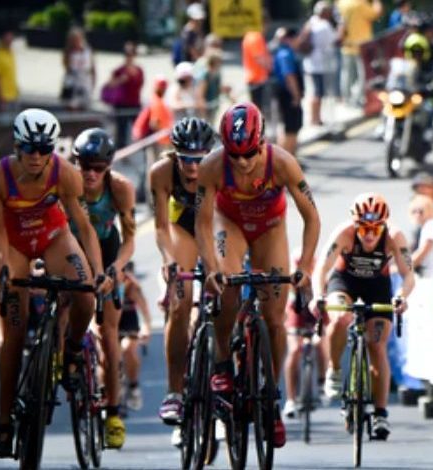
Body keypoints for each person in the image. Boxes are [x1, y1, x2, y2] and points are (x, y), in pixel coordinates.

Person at [0, 108, 111, 458]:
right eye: (29, 149)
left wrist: (98, 272)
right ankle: (4, 419)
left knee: (84, 297)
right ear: (17, 146)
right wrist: (1, 270)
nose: (36, 157)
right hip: (15, 244)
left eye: (44, 149)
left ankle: (70, 351)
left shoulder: (65, 173)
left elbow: (84, 227)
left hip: (54, 236)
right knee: (14, 328)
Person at [195, 102, 320, 448]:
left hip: (270, 227)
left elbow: (312, 217)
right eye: (235, 154)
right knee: (228, 288)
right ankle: (222, 363)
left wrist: (306, 266)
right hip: (229, 224)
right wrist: (210, 269)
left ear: (262, 142)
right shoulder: (212, 167)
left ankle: (271, 397)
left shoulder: (282, 162)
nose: (243, 161)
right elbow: (203, 222)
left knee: (276, 321)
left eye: (249, 152)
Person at [315, 193, 412, 440]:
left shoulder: (395, 237)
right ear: (355, 225)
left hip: (377, 287)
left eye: (375, 229)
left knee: (376, 345)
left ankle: (381, 413)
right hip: (344, 282)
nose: (369, 235)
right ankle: (335, 368)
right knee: (338, 318)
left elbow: (408, 274)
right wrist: (318, 296)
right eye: (363, 228)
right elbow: (322, 269)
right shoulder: (344, 233)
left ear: (384, 226)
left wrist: (401, 296)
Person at [70, 127, 137, 448]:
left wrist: (116, 269)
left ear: (108, 167)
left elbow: (131, 238)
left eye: (99, 168)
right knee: (60, 311)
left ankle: (112, 413)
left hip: (108, 251)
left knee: (109, 336)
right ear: (76, 163)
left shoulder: (121, 189)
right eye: (85, 165)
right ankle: (59, 361)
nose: (91, 174)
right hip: (72, 249)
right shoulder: (66, 184)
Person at [149, 117, 216, 429]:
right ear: (175, 155)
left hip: (217, 228)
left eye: (199, 160)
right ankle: (174, 392)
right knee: (181, 300)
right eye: (186, 159)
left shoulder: (221, 167)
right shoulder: (162, 173)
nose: (192, 168)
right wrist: (168, 259)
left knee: (231, 291)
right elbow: (161, 227)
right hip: (182, 229)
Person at [283, 252, 326, 419]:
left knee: (321, 342)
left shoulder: (320, 277)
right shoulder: (293, 280)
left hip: (317, 310)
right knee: (294, 350)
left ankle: (322, 381)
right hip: (297, 310)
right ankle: (291, 399)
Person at [118, 261, 152, 412]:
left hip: (128, 323)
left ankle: (133, 385)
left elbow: (145, 310)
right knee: (107, 357)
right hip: (109, 324)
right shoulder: (104, 286)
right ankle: (104, 389)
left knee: (128, 349)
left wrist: (146, 328)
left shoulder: (132, 287)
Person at [337, 0, 383, 106]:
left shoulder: (342, 3)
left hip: (347, 45)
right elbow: (377, 13)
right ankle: (357, 99)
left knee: (346, 75)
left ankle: (347, 99)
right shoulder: (361, 4)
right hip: (362, 46)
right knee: (363, 76)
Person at [302, 2, 338, 127]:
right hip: (320, 64)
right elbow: (334, 40)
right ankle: (315, 118)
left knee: (316, 91)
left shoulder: (312, 21)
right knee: (318, 93)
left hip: (310, 63)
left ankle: (316, 117)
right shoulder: (325, 26)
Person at [103, 41, 144, 148]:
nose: (129, 56)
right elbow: (108, 85)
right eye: (127, 53)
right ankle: (122, 154)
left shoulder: (139, 70)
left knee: (138, 130)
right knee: (121, 132)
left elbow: (140, 85)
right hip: (121, 105)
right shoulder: (118, 70)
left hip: (134, 105)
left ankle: (138, 150)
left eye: (131, 53)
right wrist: (120, 80)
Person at [272, 27, 305, 158]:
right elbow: (289, 76)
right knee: (290, 127)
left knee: (294, 126)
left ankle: (292, 156)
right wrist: (296, 95)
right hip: (287, 94)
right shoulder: (285, 54)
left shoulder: (288, 52)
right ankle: (287, 158)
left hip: (289, 94)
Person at [242, 16, 273, 113]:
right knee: (259, 111)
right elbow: (258, 58)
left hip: (256, 78)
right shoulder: (255, 38)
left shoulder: (250, 36)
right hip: (257, 79)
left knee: (258, 109)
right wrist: (271, 69)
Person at [194, 49, 233, 125]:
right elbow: (200, 95)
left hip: (213, 106)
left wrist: (227, 91)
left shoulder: (216, 74)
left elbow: (218, 88)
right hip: (206, 108)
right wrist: (203, 113)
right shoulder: (205, 75)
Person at [61, 27, 95, 111]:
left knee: (84, 105)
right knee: (71, 104)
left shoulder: (87, 50)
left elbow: (92, 67)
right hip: (73, 80)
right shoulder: (69, 51)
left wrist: (93, 82)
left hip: (85, 80)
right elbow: (66, 66)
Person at [410, 194, 433, 278]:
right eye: (414, 211)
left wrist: (403, 267)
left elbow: (423, 251)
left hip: (432, 275)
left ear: (429, 210)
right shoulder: (431, 225)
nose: (417, 214)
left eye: (420, 211)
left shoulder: (430, 225)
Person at [0, 30, 19, 112]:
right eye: (7, 40)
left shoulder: (10, 53)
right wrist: (1, 97)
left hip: (13, 96)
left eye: (11, 39)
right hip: (3, 98)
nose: (10, 42)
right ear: (2, 39)